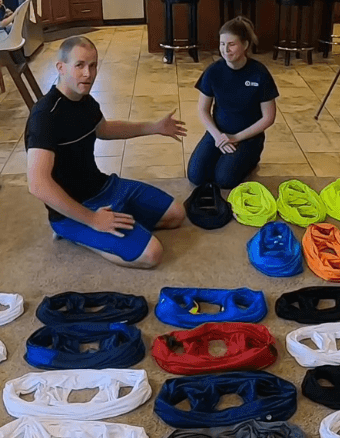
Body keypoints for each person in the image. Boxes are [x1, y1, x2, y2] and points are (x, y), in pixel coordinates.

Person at [25, 36, 186, 270]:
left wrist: (154, 127)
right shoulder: (45, 116)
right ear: (60, 67)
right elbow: (37, 184)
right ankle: (75, 232)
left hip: (105, 186)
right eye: (79, 65)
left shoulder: (85, 101)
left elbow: (104, 129)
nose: (88, 74)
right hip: (74, 208)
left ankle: (114, 221)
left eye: (92, 65)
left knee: (176, 214)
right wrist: (93, 220)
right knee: (151, 254)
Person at [187, 17, 278, 190]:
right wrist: (218, 136)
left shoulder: (259, 73)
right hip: (219, 134)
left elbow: (269, 117)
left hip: (247, 137)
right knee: (196, 176)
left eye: (231, 44)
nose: (225, 50)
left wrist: (236, 138)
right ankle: (226, 156)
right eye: (222, 44)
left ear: (245, 45)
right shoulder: (214, 71)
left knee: (224, 180)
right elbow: (203, 110)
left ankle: (251, 158)